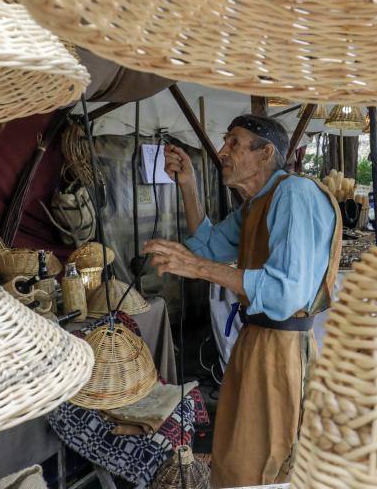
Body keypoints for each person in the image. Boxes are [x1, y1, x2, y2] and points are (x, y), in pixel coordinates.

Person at [142, 114, 341, 487]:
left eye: (233, 142)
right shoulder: (256, 204)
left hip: (282, 351)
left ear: (265, 152)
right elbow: (210, 247)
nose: (222, 152)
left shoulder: (294, 194)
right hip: (256, 344)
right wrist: (188, 184)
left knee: (266, 465)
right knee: (237, 458)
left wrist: (197, 268)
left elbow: (285, 293)